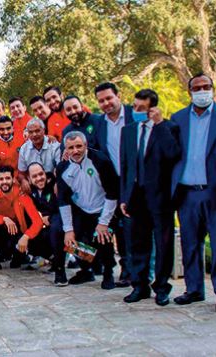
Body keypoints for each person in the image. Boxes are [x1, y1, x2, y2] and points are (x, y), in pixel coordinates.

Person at [168, 73, 216, 313]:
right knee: (190, 244)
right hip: (188, 194)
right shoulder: (178, 119)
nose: (202, 91)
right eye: (197, 88)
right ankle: (194, 289)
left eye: (206, 87)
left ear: (212, 89)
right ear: (189, 92)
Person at [120, 91, 181, 306]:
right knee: (137, 242)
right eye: (134, 106)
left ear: (152, 108)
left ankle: (162, 287)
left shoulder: (168, 128)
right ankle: (140, 285)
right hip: (135, 195)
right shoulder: (127, 131)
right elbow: (125, 165)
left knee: (163, 243)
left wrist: (160, 124)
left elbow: (173, 154)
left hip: (160, 195)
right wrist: (124, 197)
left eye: (141, 108)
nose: (135, 111)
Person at [57, 131, 119, 288]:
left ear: (85, 145)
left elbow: (112, 192)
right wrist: (68, 229)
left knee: (103, 238)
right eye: (71, 148)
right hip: (81, 209)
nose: (75, 151)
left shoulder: (100, 161)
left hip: (103, 208)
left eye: (79, 146)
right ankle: (86, 269)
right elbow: (63, 199)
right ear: (66, 149)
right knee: (71, 240)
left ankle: (108, 273)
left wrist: (104, 222)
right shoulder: (63, 168)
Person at [92, 82, 135, 286]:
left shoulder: (135, 115)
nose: (106, 103)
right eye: (101, 101)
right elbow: (95, 150)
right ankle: (126, 269)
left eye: (109, 98)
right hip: (113, 184)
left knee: (136, 228)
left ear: (118, 95)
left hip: (136, 183)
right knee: (118, 228)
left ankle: (143, 273)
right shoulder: (100, 123)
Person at [0, 166, 43, 274]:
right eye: (1, 179)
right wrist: (4, 219)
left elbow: (38, 221)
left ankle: (19, 255)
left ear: (13, 179)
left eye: (7, 178)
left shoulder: (21, 194)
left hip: (17, 231)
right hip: (0, 229)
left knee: (16, 261)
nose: (4, 182)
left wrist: (26, 236)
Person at [27, 162, 67, 286]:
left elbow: (62, 207)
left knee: (56, 230)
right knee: (29, 236)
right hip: (43, 226)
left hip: (61, 224)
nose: (39, 178)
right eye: (34, 176)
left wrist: (49, 218)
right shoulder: (30, 191)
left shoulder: (55, 185)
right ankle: (52, 259)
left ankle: (61, 271)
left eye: (41, 174)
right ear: (29, 179)